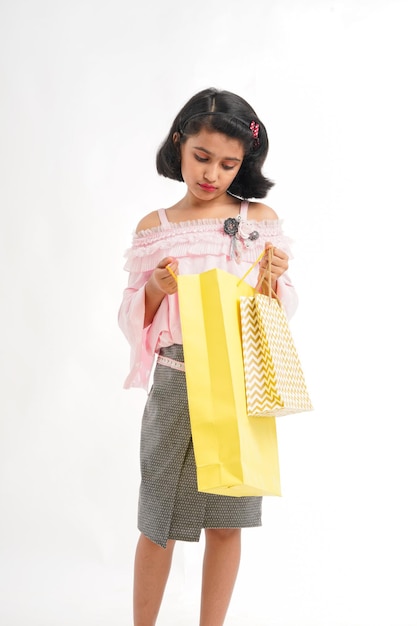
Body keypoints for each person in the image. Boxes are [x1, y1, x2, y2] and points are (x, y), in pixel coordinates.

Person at [118, 87, 298, 626]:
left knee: (228, 520)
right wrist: (153, 287)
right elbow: (131, 315)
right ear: (180, 143)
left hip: (240, 386)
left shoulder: (256, 219)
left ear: (244, 164)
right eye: (201, 157)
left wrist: (272, 279)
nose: (211, 174)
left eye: (227, 164)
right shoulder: (157, 228)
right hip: (176, 383)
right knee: (158, 521)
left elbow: (279, 313)